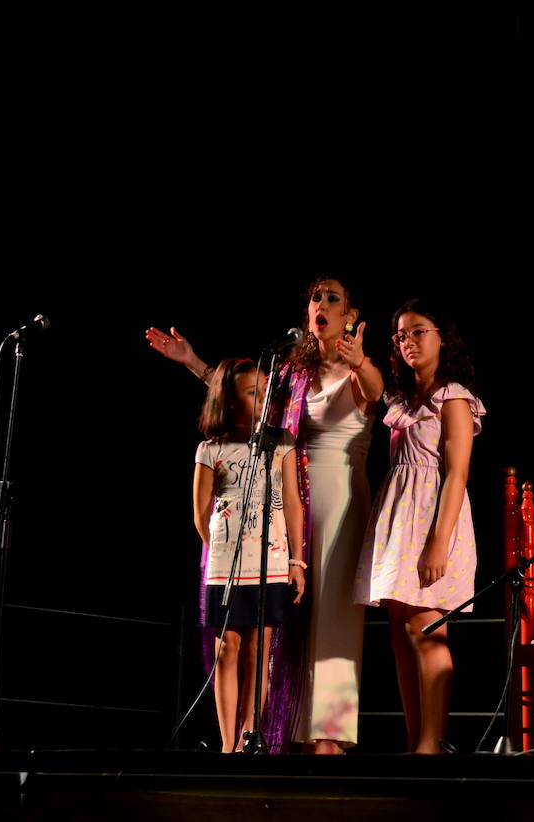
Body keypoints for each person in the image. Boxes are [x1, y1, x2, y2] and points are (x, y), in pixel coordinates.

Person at [148, 274, 383, 754]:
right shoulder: (292, 374)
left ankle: (330, 735)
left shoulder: (358, 370)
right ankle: (281, 731)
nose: (320, 303)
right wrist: (193, 363)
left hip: (338, 494)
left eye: (332, 298)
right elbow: (245, 395)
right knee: (285, 620)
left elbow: (376, 391)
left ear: (350, 317)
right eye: (315, 297)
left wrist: (360, 362)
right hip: (283, 496)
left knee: (333, 616)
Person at [354, 300, 484, 754]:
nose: (408, 342)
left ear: (441, 337)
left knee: (426, 630)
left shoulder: (454, 397)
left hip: (433, 520)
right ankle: (415, 743)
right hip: (397, 519)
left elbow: (458, 474)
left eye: (418, 332)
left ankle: (431, 746)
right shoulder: (402, 399)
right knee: (399, 636)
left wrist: (438, 542)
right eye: (401, 336)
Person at [192, 358, 306, 752]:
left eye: (264, 391)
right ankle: (227, 745)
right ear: (229, 400)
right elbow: (200, 511)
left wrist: (296, 560)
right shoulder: (211, 449)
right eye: (251, 392)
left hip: (272, 562)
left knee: (260, 649)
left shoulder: (282, 442)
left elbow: (292, 502)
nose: (261, 400)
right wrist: (222, 551)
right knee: (228, 649)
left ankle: (249, 738)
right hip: (227, 566)